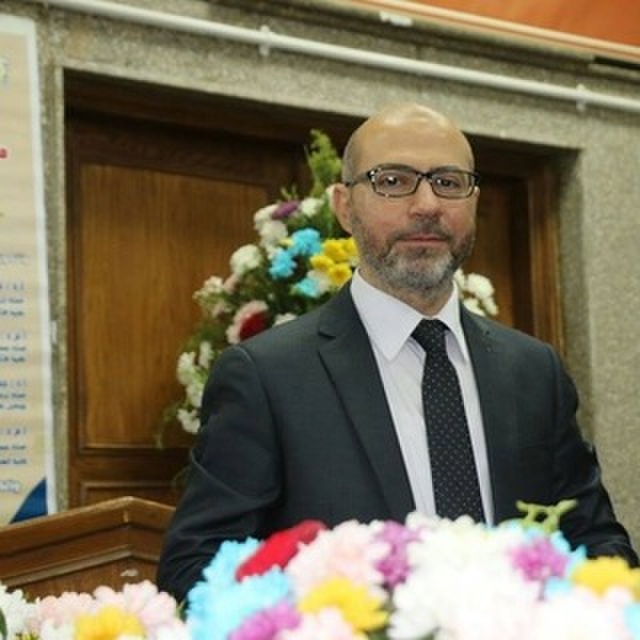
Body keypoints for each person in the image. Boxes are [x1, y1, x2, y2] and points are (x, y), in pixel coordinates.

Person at [156, 102, 638, 602]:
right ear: (345, 206)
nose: (427, 204)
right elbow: (197, 569)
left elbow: (596, 542)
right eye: (392, 181)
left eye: (448, 182)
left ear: (473, 201)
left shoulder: (534, 371)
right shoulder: (267, 377)